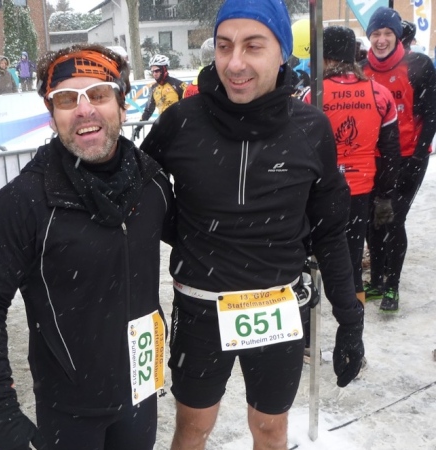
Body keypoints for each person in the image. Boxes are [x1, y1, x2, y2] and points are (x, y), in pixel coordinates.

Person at [140, 1, 365, 448]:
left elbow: (330, 232)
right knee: (192, 427)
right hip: (201, 307)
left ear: (282, 52)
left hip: (276, 308)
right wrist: (191, 232)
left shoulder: (311, 128)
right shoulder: (181, 121)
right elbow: (142, 199)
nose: (235, 63)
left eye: (253, 46)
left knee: (270, 429)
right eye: (224, 46)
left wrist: (350, 320)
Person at [0, 44, 175, 450]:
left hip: (142, 386)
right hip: (70, 407)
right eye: (66, 99)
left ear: (122, 104)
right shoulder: (23, 202)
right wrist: (1, 407)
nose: (84, 109)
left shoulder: (152, 184)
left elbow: (202, 244)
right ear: (52, 115)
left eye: (98, 93)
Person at [302, 26, 400, 305]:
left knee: (313, 261)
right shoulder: (380, 94)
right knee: (353, 262)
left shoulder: (314, 95)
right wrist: (385, 195)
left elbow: (302, 149)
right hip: (361, 192)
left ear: (325, 56)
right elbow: (391, 152)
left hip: (323, 191)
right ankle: (354, 322)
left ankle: (310, 318)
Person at [361, 7, 436, 311]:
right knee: (372, 221)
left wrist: (418, 156)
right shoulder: (360, 69)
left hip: (407, 157)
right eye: (375, 34)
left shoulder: (419, 65)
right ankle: (376, 281)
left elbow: (431, 114)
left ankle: (392, 286)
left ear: (397, 36)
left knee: (394, 219)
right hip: (372, 157)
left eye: (387, 33)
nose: (381, 40)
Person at [132, 54, 187, 139]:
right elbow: (148, 111)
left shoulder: (178, 85)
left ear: (164, 69)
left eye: (157, 71)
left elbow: (190, 104)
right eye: (152, 71)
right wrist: (138, 127)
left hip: (179, 127)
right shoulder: (154, 88)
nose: (154, 74)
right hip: (163, 126)